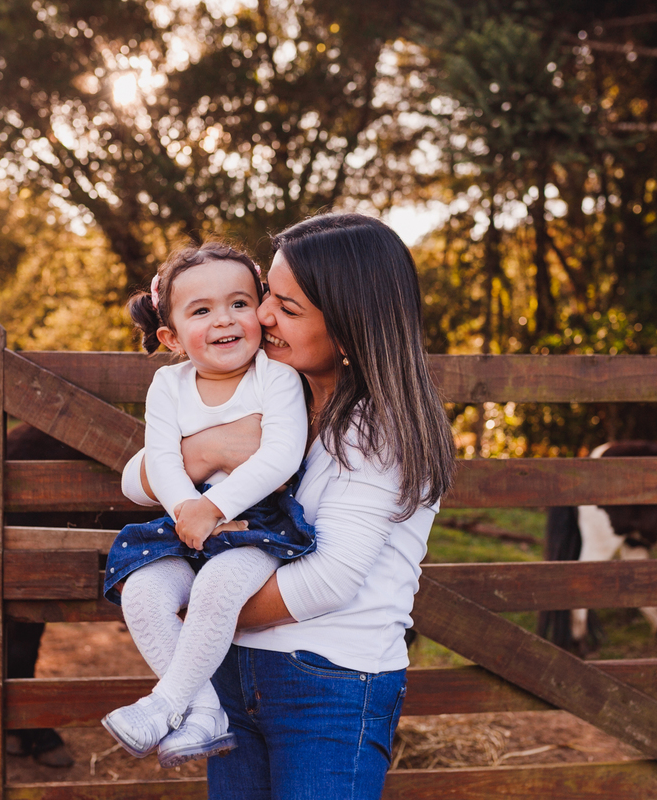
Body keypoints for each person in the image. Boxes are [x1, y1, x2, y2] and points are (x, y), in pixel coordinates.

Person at [121, 212, 457, 798]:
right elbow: (136, 479)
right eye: (268, 294)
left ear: (351, 328)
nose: (262, 315)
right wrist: (212, 446)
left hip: (327, 682)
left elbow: (330, 579)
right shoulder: (281, 389)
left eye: (288, 307)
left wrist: (196, 618)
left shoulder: (380, 429)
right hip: (235, 673)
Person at [101, 242, 317, 769]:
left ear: (260, 311)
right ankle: (205, 709)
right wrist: (184, 509)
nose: (224, 320)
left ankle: (166, 703)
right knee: (144, 593)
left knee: (219, 588)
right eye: (202, 311)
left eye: (240, 303)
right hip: (185, 524)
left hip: (257, 525)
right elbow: (161, 460)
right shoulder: (167, 385)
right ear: (171, 336)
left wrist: (213, 507)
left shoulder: (276, 377)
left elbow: (281, 457)